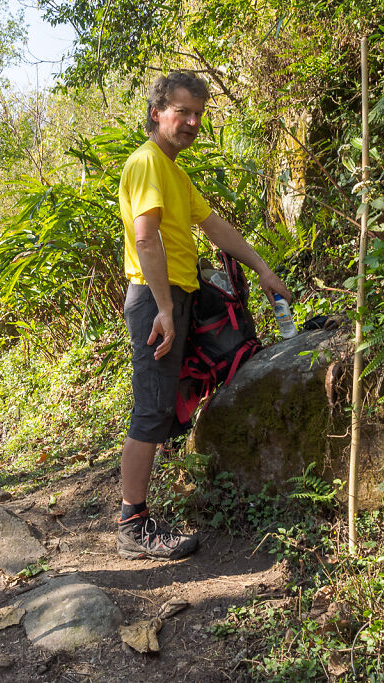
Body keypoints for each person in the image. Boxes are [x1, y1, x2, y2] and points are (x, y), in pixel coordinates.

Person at [117, 71, 292, 561]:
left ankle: (148, 508)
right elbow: (146, 237)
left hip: (175, 297)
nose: (191, 122)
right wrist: (167, 310)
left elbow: (216, 228)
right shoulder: (148, 163)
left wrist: (262, 269)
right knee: (150, 409)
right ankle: (132, 524)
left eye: (198, 114)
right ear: (157, 113)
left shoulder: (173, 171)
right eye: (182, 111)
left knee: (169, 399)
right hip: (157, 299)